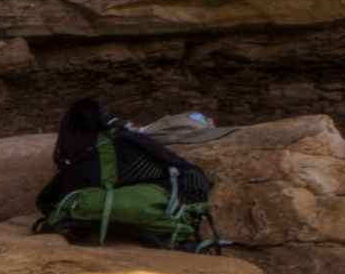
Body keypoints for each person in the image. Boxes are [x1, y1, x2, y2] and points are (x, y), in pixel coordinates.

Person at [34, 96, 223, 251]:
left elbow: (48, 199)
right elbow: (179, 167)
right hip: (181, 193)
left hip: (164, 194)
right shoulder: (127, 141)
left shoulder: (80, 154)